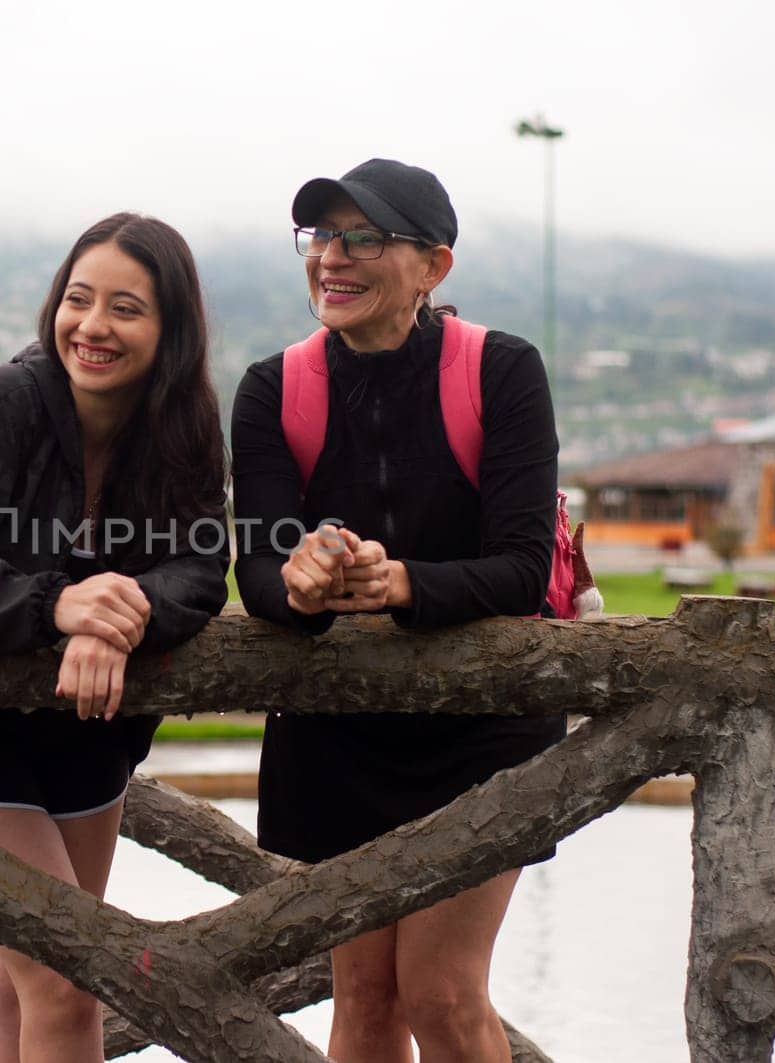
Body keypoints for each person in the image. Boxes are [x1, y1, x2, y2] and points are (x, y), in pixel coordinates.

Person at [0, 212, 229, 1063]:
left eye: (126, 308)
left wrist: (121, 606)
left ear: (170, 331)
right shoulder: (3, 404)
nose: (93, 325)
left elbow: (202, 568)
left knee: (21, 980)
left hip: (86, 726)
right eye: (78, 298)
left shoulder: (184, 424)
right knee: (66, 982)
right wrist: (58, 605)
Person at [231, 158, 565, 1062]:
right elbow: (255, 568)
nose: (333, 258)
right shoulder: (273, 389)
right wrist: (298, 584)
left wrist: (405, 583)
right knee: (365, 1002)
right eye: (322, 236)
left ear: (433, 267)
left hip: (482, 733)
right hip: (336, 738)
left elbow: (524, 569)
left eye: (366, 238)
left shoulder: (501, 371)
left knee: (444, 993)